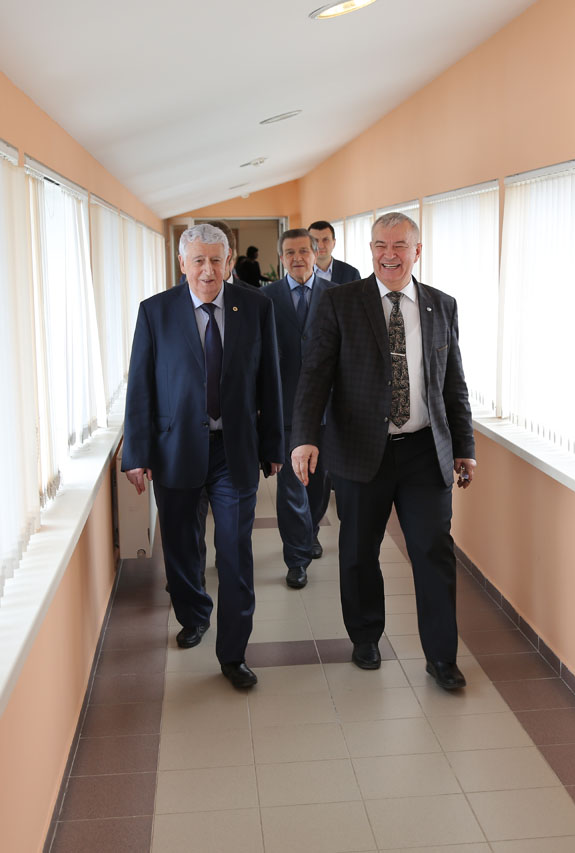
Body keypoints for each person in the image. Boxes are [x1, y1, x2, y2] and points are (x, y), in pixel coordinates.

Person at [290, 212, 476, 691]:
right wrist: (305, 436)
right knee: (358, 551)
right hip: (359, 449)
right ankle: (365, 636)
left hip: (423, 451)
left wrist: (464, 446)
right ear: (370, 249)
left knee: (433, 551)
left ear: (417, 251)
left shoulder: (441, 305)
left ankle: (442, 658)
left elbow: (453, 382)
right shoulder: (340, 302)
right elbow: (315, 375)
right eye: (379, 245)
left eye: (398, 246)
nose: (388, 255)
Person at [123, 223, 283, 689]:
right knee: (181, 546)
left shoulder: (256, 307)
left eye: (216, 260)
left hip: (234, 450)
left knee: (234, 553)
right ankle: (194, 614)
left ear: (229, 261)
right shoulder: (155, 312)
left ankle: (233, 653)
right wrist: (137, 452)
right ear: (182, 263)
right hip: (175, 450)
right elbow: (140, 386)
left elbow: (269, 380)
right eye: (198, 260)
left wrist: (273, 443)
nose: (208, 270)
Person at [262, 229, 337, 589]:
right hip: (286, 408)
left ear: (316, 252)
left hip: (326, 409)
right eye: (289, 253)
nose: (297, 258)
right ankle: (296, 558)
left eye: (303, 251)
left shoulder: (335, 295)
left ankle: (310, 531)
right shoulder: (266, 298)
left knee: (319, 484)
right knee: (291, 487)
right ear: (281, 258)